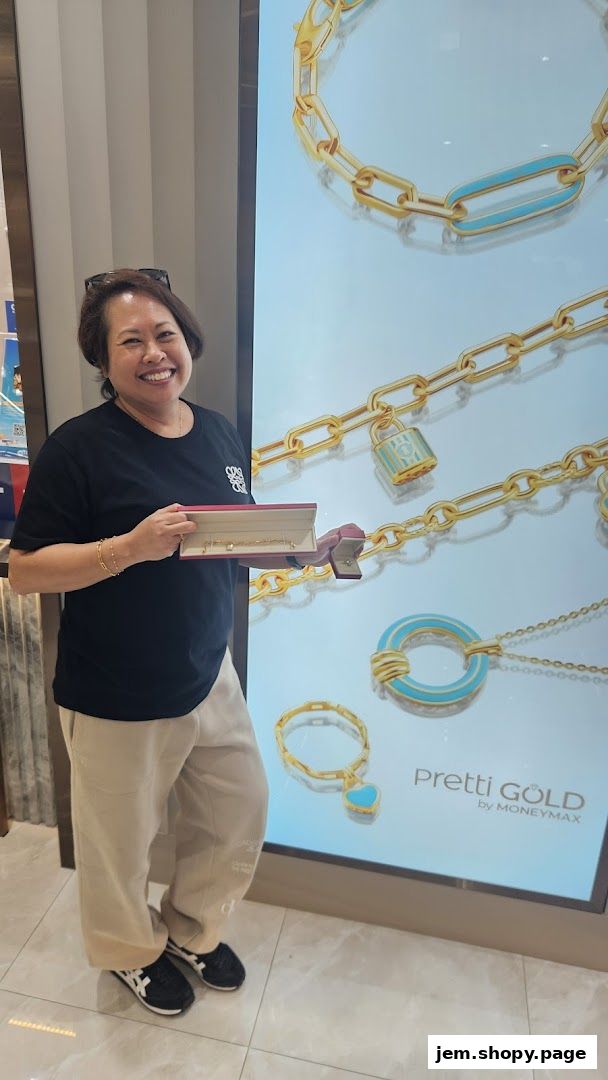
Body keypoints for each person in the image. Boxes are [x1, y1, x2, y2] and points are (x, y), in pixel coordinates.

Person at [8, 268, 364, 1017]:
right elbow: (26, 571)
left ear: (186, 341)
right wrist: (127, 549)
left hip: (209, 673)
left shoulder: (217, 430)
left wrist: (307, 552)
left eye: (164, 334)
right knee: (118, 848)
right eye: (129, 341)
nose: (153, 352)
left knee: (238, 813)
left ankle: (192, 931)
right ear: (103, 362)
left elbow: (237, 538)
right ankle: (128, 953)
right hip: (116, 695)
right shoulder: (80, 449)